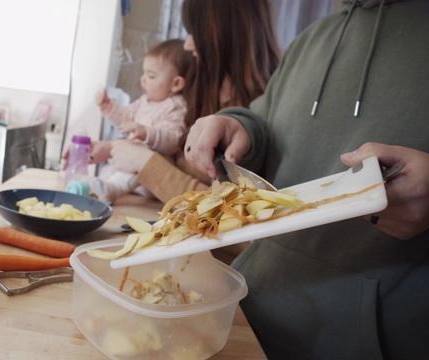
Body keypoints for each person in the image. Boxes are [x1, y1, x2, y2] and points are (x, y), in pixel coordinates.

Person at [183, 0, 429, 358]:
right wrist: (238, 125)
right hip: (248, 308)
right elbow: (265, 121)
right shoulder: (312, 37)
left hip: (366, 342)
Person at [73, 0, 280, 208]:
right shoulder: (200, 91)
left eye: (196, 32)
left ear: (228, 35)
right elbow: (169, 146)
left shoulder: (260, 117)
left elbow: (229, 209)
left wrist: (145, 163)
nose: (188, 44)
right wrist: (111, 148)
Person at [82, 39, 193, 203]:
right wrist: (107, 105)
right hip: (134, 175)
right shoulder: (144, 101)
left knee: (131, 168)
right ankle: (101, 188)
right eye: (144, 74)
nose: (143, 80)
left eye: (151, 76)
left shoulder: (176, 106)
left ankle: (112, 189)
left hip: (154, 173)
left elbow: (173, 139)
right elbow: (126, 116)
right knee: (108, 169)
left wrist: (146, 132)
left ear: (176, 84)